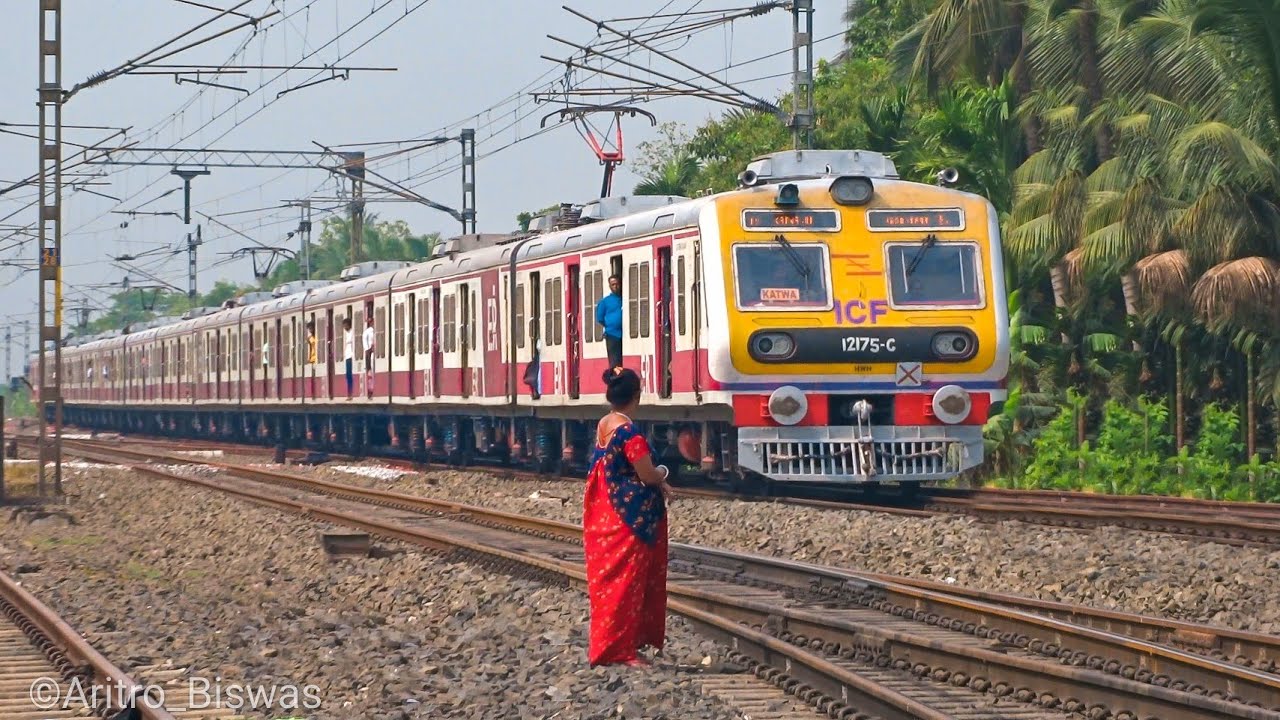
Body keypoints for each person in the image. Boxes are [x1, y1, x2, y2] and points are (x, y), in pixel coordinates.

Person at [583, 367, 674, 667]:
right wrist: (663, 473)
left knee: (610, 583)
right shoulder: (629, 432)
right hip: (630, 519)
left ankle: (612, 645)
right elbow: (646, 474)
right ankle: (623, 650)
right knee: (628, 584)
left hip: (607, 513)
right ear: (636, 396)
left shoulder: (604, 425)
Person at [595, 274, 623, 371]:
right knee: (615, 361)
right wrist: (610, 325)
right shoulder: (604, 302)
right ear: (610, 286)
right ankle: (616, 380)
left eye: (617, 284)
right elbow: (600, 318)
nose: (615, 286)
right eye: (613, 284)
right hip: (612, 335)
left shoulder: (625, 299)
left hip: (624, 334)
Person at [362, 308, 375, 398]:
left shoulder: (375, 330)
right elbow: (364, 341)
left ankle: (373, 388)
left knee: (373, 370)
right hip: (369, 352)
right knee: (370, 371)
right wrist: (367, 350)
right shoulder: (367, 331)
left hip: (374, 352)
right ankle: (370, 389)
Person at [342, 317, 355, 399]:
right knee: (348, 375)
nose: (344, 327)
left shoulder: (352, 332)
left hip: (351, 356)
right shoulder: (345, 334)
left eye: (345, 325)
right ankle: (349, 393)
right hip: (347, 356)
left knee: (350, 375)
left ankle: (351, 393)